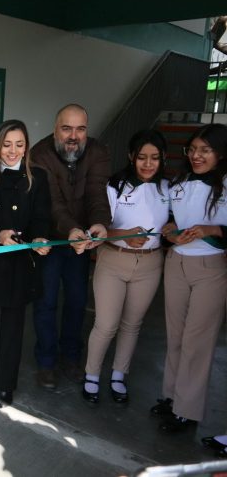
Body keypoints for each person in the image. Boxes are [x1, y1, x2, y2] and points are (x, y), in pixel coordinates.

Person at [82, 130, 169, 405]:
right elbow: (99, 229)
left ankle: (119, 374)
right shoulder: (115, 186)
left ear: (163, 159)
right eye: (142, 157)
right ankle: (92, 374)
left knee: (132, 325)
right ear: (131, 157)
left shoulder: (168, 189)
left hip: (150, 263)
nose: (148, 164)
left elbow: (173, 224)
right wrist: (124, 234)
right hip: (113, 260)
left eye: (155, 157)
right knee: (106, 324)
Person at [150, 124, 227, 432]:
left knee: (197, 341)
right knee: (176, 336)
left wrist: (212, 229)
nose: (196, 156)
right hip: (177, 263)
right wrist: (170, 232)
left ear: (221, 153)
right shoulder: (179, 182)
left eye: (205, 150)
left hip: (210, 268)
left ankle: (187, 410)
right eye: (192, 149)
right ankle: (171, 397)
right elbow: (169, 221)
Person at [0, 120, 51, 408]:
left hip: (20, 266)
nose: (13, 151)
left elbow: (42, 217)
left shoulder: (37, 177)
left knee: (13, 330)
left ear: (26, 147)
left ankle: (6, 384)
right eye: (6, 145)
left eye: (19, 144)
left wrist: (39, 238)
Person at [30, 103, 111, 389]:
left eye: (80, 129)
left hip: (81, 243)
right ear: (55, 129)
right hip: (50, 239)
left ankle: (71, 357)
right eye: (66, 129)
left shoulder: (98, 152)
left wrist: (99, 222)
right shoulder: (39, 154)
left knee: (77, 301)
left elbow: (97, 194)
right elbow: (52, 202)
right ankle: (46, 362)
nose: (73, 136)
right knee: (46, 303)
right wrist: (72, 230)